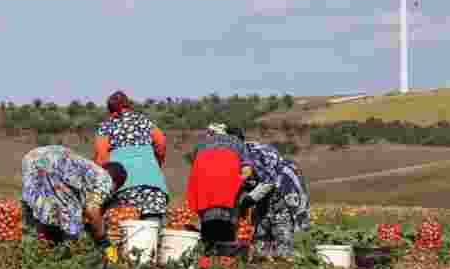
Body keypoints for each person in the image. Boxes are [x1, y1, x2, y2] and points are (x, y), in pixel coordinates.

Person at [20, 144, 128, 264]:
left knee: (38, 205)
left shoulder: (89, 172)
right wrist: (103, 240)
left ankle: (28, 255)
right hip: (52, 162)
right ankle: (63, 260)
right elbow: (92, 210)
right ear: (116, 184)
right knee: (71, 217)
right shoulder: (105, 180)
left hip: (33, 156)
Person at [93, 91, 169, 222]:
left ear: (110, 111)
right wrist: (156, 165)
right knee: (151, 232)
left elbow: (101, 159)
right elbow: (161, 143)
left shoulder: (106, 127)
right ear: (128, 106)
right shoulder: (144, 121)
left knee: (125, 233)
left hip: (123, 189)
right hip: (153, 186)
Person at [185, 122, 254, 252]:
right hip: (227, 191)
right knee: (226, 224)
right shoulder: (238, 142)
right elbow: (247, 169)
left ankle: (207, 254)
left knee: (208, 222)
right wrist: (239, 183)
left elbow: (196, 164)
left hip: (204, 189)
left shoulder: (203, 143)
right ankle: (224, 258)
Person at [242, 140, 311, 258]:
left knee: (282, 232)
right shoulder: (243, 155)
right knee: (261, 232)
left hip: (283, 192)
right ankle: (264, 263)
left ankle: (283, 264)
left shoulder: (255, 154)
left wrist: (249, 200)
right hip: (266, 196)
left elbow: (268, 182)